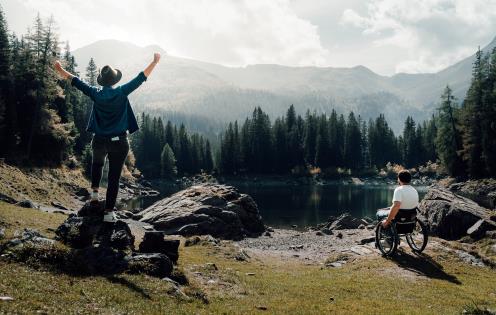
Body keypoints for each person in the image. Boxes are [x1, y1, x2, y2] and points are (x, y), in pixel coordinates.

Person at [54, 53, 161, 222]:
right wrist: (154, 62)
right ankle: (109, 213)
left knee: (97, 165)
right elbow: (141, 78)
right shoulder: (121, 91)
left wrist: (60, 69)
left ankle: (95, 195)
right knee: (113, 177)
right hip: (119, 142)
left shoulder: (95, 93)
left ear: (103, 81)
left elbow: (75, 81)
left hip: (99, 140)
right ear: (115, 80)